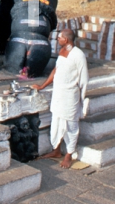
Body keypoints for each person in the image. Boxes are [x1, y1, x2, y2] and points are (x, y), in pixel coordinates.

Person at [32, 29, 89, 169]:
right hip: (58, 94)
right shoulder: (62, 51)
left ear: (67, 39)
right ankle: (56, 150)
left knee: (71, 124)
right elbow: (56, 70)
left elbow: (84, 80)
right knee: (56, 121)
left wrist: (81, 99)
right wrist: (42, 86)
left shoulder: (78, 55)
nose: (57, 39)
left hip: (71, 95)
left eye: (60, 37)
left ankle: (69, 154)